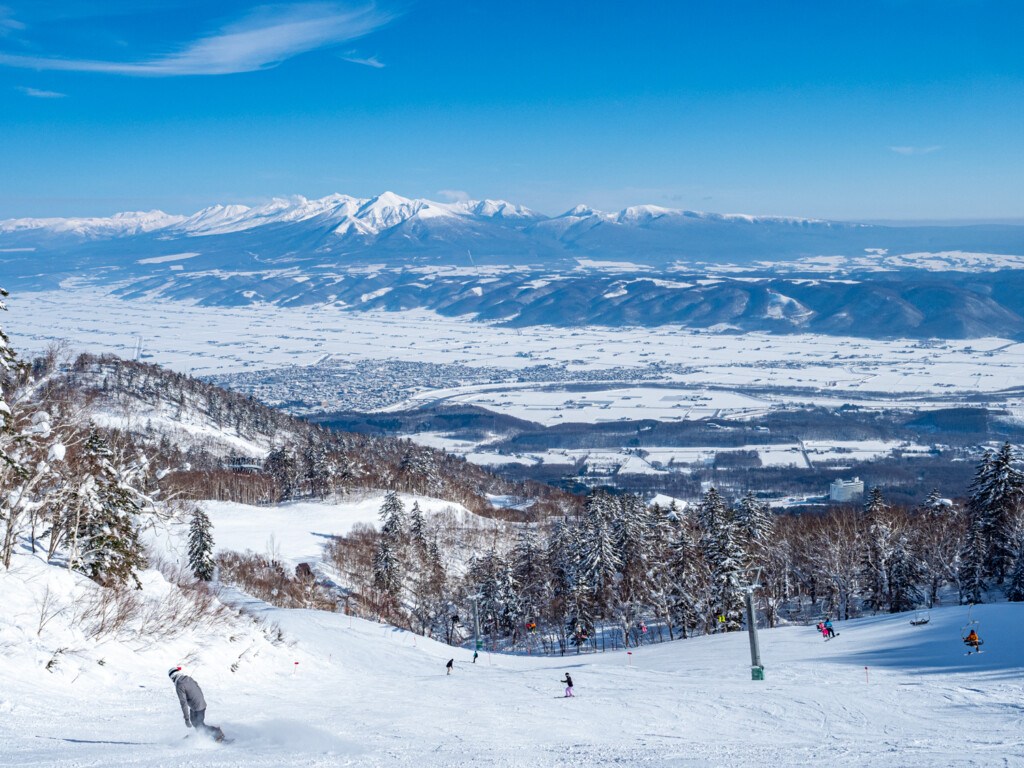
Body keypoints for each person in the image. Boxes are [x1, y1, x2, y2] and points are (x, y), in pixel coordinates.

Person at [168, 667, 223, 741]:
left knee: (199, 725)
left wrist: (186, 719)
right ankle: (203, 735)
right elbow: (197, 687)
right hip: (198, 704)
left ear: (173, 677)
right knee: (194, 722)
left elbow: (183, 703)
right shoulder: (188, 678)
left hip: (198, 706)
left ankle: (217, 732)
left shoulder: (179, 685)